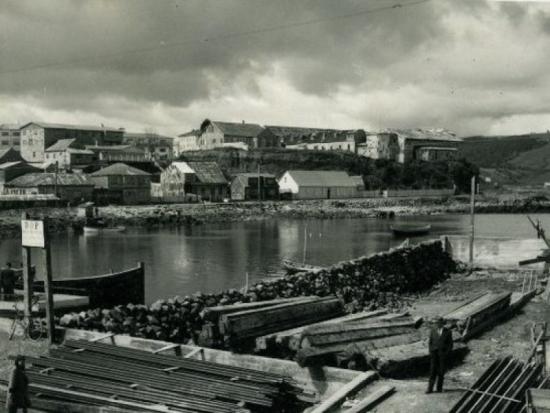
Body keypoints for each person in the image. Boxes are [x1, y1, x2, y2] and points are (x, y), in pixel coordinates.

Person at [426, 316, 453, 394]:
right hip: (434, 354)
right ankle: (429, 389)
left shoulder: (448, 332)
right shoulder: (433, 331)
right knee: (432, 371)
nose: (437, 324)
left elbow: (450, 344)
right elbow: (430, 342)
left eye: (438, 323)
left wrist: (446, 353)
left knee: (441, 372)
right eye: (436, 323)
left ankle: (439, 388)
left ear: (442, 323)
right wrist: (431, 351)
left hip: (442, 355)